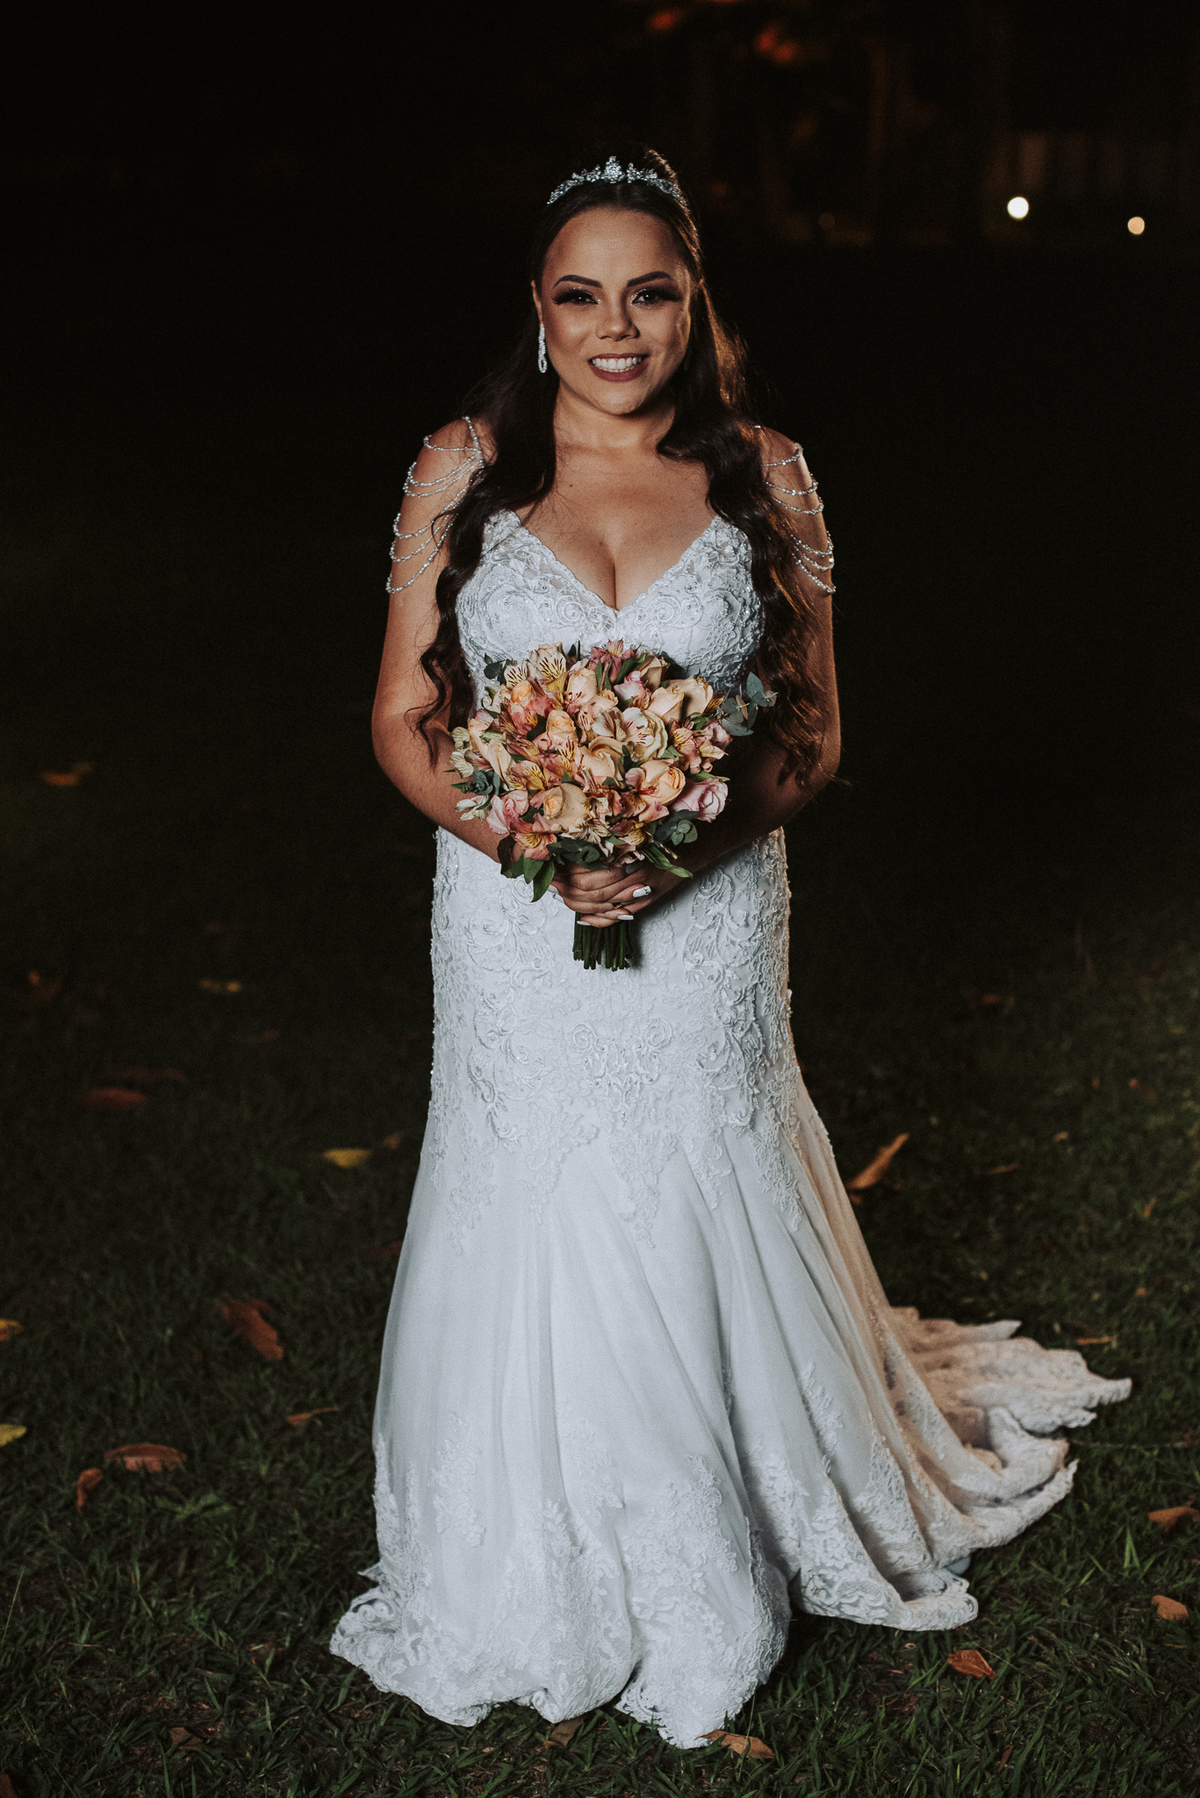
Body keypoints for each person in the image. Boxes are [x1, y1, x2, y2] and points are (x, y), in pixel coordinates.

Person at [331, 144, 1129, 1749]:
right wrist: (537, 842)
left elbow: (814, 736)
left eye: (651, 294)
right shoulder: (461, 469)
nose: (616, 329)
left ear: (696, 303)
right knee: (530, 1171)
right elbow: (405, 722)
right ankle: (530, 1535)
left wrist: (667, 848)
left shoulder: (767, 472)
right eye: (582, 296)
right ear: (537, 307)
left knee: (701, 1159)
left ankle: (732, 1507)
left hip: (707, 910)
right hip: (510, 916)